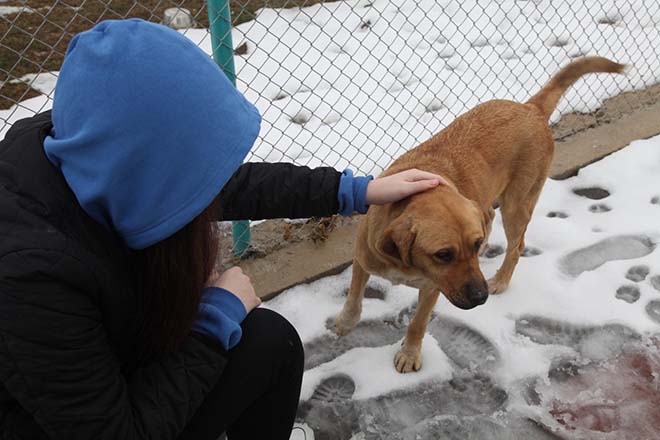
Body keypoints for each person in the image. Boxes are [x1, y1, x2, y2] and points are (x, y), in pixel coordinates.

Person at [0, 19, 444, 440]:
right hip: (77, 423)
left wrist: (355, 191)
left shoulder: (86, 144)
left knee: (271, 342)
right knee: (262, 340)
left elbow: (224, 184)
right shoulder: (29, 275)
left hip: (117, 355)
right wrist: (213, 321)